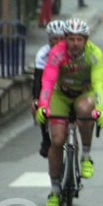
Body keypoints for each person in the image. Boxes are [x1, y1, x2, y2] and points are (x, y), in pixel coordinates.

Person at [36, 18, 103, 206]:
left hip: (84, 93)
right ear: (65, 39)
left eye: (79, 39)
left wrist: (100, 109)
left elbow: (99, 84)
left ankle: (86, 156)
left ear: (86, 40)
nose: (75, 43)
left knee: (85, 111)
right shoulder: (57, 53)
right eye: (71, 39)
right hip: (61, 94)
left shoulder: (94, 54)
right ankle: (54, 191)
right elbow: (48, 81)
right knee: (57, 140)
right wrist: (43, 105)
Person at [32, 20, 65, 158]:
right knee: (39, 106)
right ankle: (45, 139)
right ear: (49, 40)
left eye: (61, 38)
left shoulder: (69, 51)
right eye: (54, 39)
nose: (57, 42)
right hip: (49, 84)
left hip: (66, 84)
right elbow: (38, 79)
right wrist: (36, 99)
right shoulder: (42, 54)